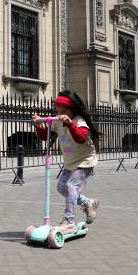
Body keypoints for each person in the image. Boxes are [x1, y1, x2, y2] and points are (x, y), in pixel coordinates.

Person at [32, 90, 105, 232]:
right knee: (61, 187)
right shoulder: (58, 121)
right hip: (70, 162)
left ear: (73, 109)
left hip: (85, 162)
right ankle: (88, 203)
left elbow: (80, 138)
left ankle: (69, 221)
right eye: (58, 111)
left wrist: (70, 123)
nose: (60, 115)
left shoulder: (79, 121)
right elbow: (45, 137)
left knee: (72, 186)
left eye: (64, 111)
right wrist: (38, 126)